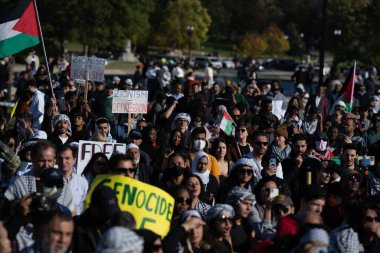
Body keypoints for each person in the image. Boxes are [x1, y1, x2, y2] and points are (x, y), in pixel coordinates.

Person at [73, 185, 121, 253]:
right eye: (105, 214)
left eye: (113, 213)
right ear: (92, 208)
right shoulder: (75, 230)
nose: (109, 219)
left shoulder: (117, 226)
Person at [57, 145, 88, 215]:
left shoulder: (82, 182)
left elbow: (83, 205)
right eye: (60, 158)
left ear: (74, 160)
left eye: (67, 158)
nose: (63, 161)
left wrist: (75, 213)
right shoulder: (50, 179)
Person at [226, 187, 256, 252]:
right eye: (245, 203)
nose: (248, 208)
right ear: (234, 203)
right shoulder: (226, 226)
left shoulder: (249, 227)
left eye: (250, 205)